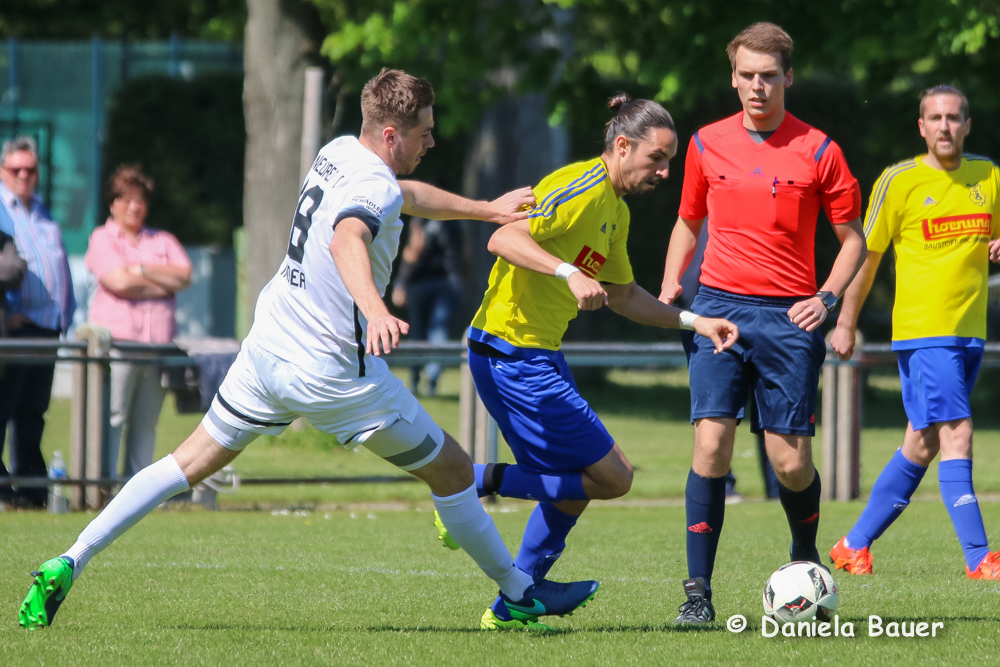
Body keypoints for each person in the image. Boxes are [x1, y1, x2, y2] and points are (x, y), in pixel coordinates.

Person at [19, 68, 600, 630]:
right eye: (424, 132)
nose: (433, 140)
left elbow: (401, 195)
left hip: (268, 346)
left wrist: (486, 209)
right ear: (392, 135)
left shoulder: (343, 150)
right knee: (452, 470)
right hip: (333, 372)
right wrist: (374, 309)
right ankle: (521, 595)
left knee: (182, 465)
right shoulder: (373, 184)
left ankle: (70, 558)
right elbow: (350, 234)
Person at [438, 93, 739, 631]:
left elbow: (624, 295)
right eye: (657, 159)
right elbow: (503, 236)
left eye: (669, 161)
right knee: (614, 477)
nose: (666, 172)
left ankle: (516, 601)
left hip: (539, 354)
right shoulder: (581, 188)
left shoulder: (615, 212)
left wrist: (696, 322)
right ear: (622, 146)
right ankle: (465, 483)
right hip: (510, 351)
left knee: (582, 479)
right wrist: (567, 273)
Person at [658, 22, 866, 624]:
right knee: (711, 446)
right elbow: (687, 222)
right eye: (746, 75)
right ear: (733, 77)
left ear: (788, 78)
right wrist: (675, 282)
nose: (757, 86)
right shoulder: (704, 143)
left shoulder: (820, 150)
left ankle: (804, 559)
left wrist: (826, 298)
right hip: (718, 309)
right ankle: (698, 594)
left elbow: (852, 239)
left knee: (790, 462)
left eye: (768, 76)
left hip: (788, 317)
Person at [829, 85, 1000, 580]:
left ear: (968, 125)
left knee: (921, 445)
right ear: (921, 127)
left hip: (970, 334)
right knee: (958, 432)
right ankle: (979, 558)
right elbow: (866, 255)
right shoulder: (898, 180)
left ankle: (852, 545)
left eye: (953, 117)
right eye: (935, 118)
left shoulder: (988, 175)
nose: (944, 126)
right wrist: (845, 321)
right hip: (926, 334)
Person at [85, 165, 192, 480]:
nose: (135, 206)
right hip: (119, 345)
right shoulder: (102, 238)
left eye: (140, 200)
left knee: (146, 422)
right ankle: (101, 486)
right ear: (113, 203)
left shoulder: (163, 239)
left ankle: (138, 490)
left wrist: (141, 270)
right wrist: (162, 283)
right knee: (114, 416)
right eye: (127, 199)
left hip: (158, 346)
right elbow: (117, 281)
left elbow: (184, 275)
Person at [0, 136, 76, 509]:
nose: (24, 175)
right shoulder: (1, 209)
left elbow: (58, 267)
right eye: (16, 169)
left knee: (33, 413)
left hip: (47, 329)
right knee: (3, 409)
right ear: (3, 170)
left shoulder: (42, 212)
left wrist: (67, 315)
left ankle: (31, 490)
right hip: (15, 328)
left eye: (30, 169)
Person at [391, 217, 462, 396]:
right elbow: (466, 252)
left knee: (417, 331)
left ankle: (415, 379)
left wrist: (400, 282)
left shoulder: (420, 219)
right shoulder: (454, 220)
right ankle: (432, 380)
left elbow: (414, 248)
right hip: (447, 282)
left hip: (419, 282)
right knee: (439, 329)